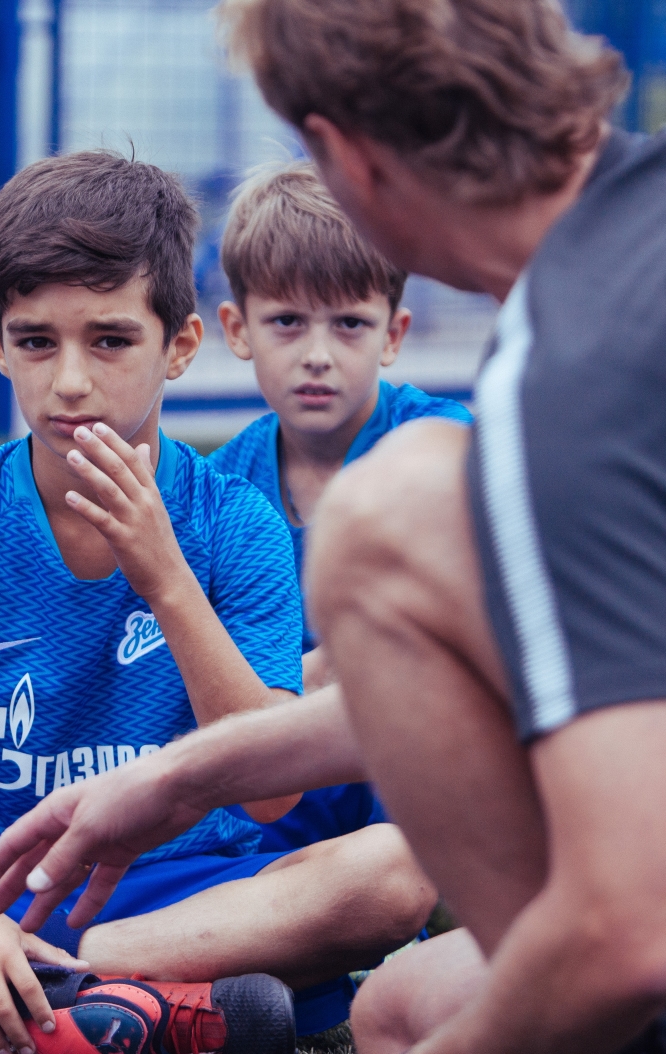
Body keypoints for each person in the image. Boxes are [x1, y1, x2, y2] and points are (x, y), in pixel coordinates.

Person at [0, 1, 666, 1054]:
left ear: (344, 156)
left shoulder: (590, 366)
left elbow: (636, 930)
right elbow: (531, 670)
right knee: (399, 1004)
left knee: (393, 516)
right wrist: (183, 776)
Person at [0, 150, 436, 1054]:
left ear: (178, 344)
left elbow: (272, 789)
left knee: (392, 873)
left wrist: (165, 577)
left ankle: (23, 995)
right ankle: (113, 1012)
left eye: (109, 340)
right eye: (35, 341)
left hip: (180, 898)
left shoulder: (234, 525)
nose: (68, 381)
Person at [209, 160, 470, 852]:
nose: (318, 354)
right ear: (238, 330)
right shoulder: (217, 489)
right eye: (287, 322)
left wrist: (299, 687)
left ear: (393, 333)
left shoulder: (444, 444)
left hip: (420, 763)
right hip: (281, 788)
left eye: (349, 324)